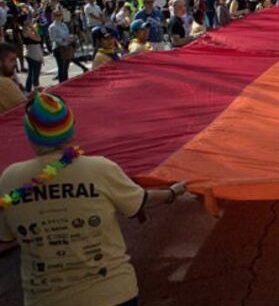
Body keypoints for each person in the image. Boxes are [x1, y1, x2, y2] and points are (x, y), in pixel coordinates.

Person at [0, 92, 187, 306]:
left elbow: (5, 236)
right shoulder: (99, 169)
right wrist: (173, 193)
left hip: (45, 298)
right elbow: (142, 200)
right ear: (71, 130)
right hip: (113, 294)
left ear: (30, 135)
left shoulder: (10, 179)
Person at [49, 9, 76, 83]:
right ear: (54, 16)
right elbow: (53, 38)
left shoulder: (64, 25)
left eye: (60, 15)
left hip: (66, 47)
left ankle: (66, 82)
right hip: (58, 48)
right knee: (61, 68)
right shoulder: (52, 27)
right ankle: (61, 84)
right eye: (57, 15)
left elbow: (67, 34)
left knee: (66, 67)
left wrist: (71, 37)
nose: (59, 17)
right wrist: (65, 39)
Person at [0, 42, 25, 112]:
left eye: (15, 60)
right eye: (12, 60)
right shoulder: (5, 82)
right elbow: (23, 106)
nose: (15, 64)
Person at [22, 16, 43, 93]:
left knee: (31, 73)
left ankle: (28, 90)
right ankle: (36, 90)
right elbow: (38, 39)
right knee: (35, 73)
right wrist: (34, 29)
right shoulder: (26, 31)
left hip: (31, 53)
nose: (32, 22)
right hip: (33, 54)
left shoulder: (27, 30)